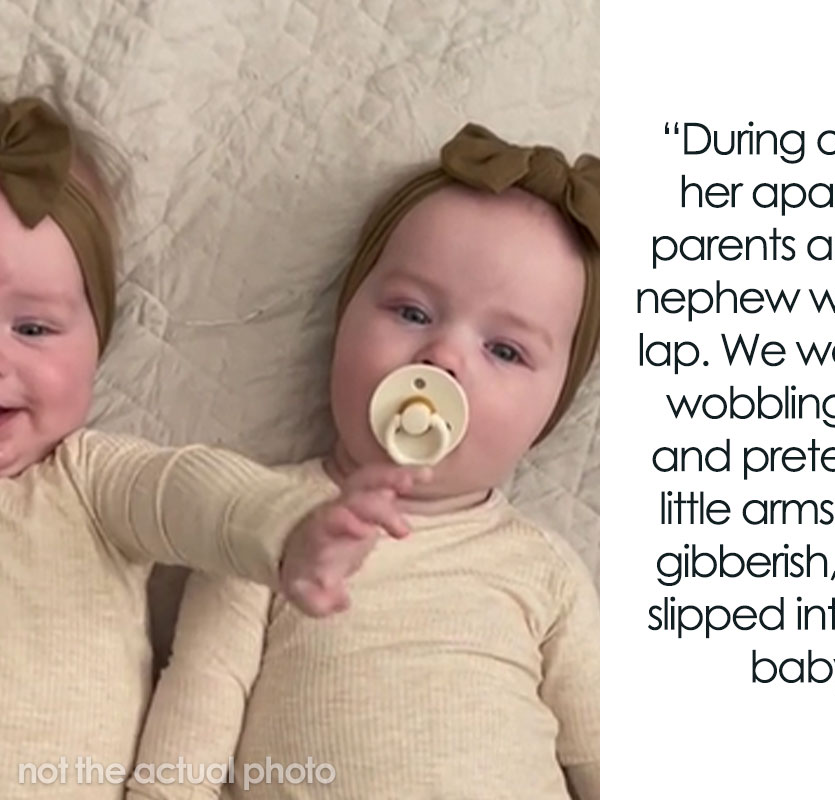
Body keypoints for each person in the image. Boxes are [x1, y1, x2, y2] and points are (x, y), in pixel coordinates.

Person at [128, 123, 600, 799]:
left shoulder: (543, 569)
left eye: (504, 351)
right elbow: (192, 730)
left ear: (549, 415)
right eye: (412, 312)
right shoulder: (267, 524)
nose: (442, 359)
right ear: (343, 320)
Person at [0, 96, 421, 800]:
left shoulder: (91, 482)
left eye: (34, 329)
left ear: (97, 342)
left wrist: (290, 525)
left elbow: (195, 495)